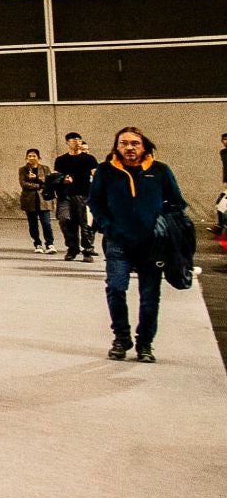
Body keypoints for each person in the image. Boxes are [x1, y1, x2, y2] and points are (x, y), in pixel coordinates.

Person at [89, 126, 185, 363]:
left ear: (144, 146)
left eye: (135, 143)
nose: (129, 147)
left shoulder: (160, 171)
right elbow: (95, 203)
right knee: (116, 288)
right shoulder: (105, 171)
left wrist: (159, 223)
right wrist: (109, 227)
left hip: (152, 245)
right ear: (116, 146)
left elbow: (177, 203)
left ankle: (145, 344)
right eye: (124, 143)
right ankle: (121, 339)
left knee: (150, 295)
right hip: (118, 243)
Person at [53, 132, 99, 261]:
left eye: (79, 139)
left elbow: (95, 175)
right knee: (65, 220)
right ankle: (72, 248)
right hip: (65, 196)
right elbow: (56, 177)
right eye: (73, 140)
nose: (77, 142)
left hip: (84, 195)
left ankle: (87, 250)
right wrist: (63, 179)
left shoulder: (89, 159)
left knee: (85, 224)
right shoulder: (61, 160)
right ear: (67, 142)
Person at [17, 149, 55, 253]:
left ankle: (50, 244)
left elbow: (49, 183)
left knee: (46, 223)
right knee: (33, 224)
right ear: (26, 158)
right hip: (29, 200)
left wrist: (37, 178)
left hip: (44, 200)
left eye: (34, 156)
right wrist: (39, 185)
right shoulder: (23, 170)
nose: (31, 158)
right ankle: (37, 244)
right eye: (29, 156)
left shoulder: (45, 169)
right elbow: (23, 184)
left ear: (39, 158)